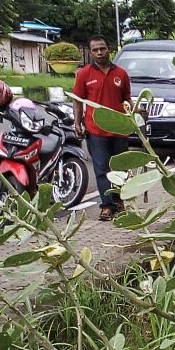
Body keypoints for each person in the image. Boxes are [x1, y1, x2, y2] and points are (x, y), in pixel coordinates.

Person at [72, 35, 132, 222]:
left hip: (119, 129)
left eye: (102, 49)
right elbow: (77, 99)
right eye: (95, 50)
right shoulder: (84, 74)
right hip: (95, 130)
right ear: (90, 53)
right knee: (101, 169)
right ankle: (107, 206)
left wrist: (135, 111)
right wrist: (77, 122)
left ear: (109, 49)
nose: (99, 53)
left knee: (120, 169)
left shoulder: (121, 74)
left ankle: (119, 201)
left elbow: (126, 99)